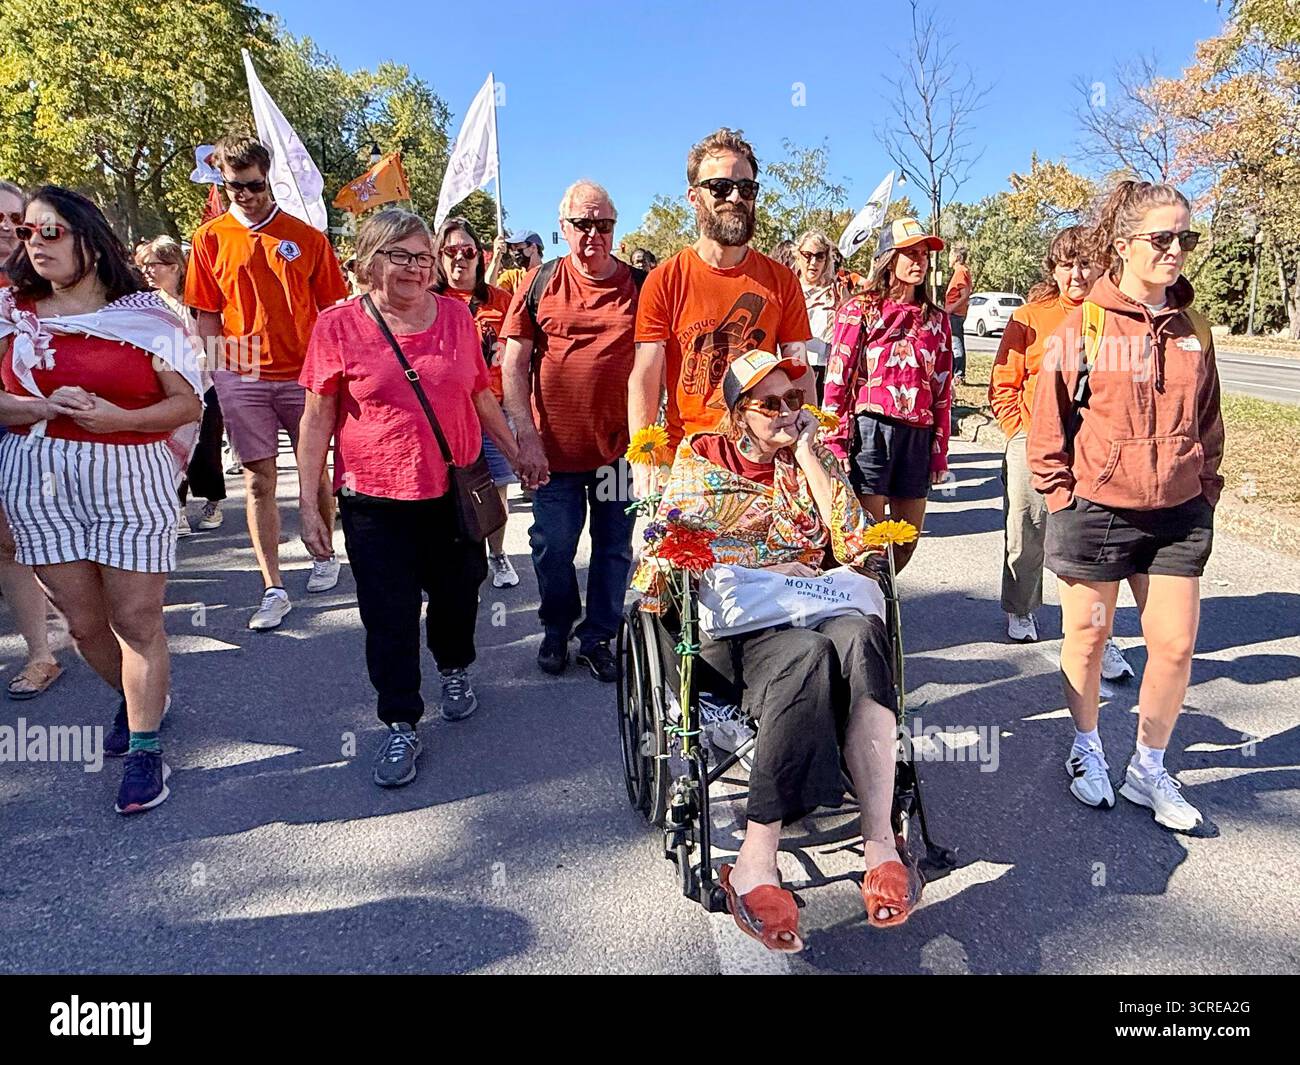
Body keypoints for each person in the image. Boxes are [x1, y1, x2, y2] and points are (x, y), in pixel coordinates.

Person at [633, 350, 913, 951]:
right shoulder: (698, 459)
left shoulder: (811, 461)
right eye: (771, 404)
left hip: (812, 605)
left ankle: (880, 842)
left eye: (795, 400)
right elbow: (666, 551)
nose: (788, 412)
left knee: (863, 636)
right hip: (737, 633)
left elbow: (856, 544)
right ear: (738, 415)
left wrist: (811, 457)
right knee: (809, 655)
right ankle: (756, 862)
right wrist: (750, 561)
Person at [298, 209, 521, 788]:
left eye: (424, 257)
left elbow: (479, 394)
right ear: (369, 261)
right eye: (401, 256)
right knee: (388, 616)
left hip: (454, 490)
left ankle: (454, 667)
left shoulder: (455, 316)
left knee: (457, 596)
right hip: (375, 500)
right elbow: (316, 419)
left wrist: (518, 451)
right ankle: (400, 721)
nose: (417, 268)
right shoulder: (337, 326)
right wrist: (309, 501)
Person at [0, 186, 203, 813]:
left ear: (90, 238)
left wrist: (117, 417)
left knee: (137, 621)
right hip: (38, 475)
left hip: (130, 472)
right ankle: (143, 697)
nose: (36, 244)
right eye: (28, 233)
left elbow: (187, 404)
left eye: (51, 231)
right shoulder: (11, 313)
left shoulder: (146, 316)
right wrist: (39, 406)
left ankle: (145, 750)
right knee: (86, 625)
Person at [1028, 180, 1223, 832]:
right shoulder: (1085, 323)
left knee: (1173, 645)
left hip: (1178, 509)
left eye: (1185, 238)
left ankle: (1147, 766)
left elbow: (1210, 419)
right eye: (1162, 238)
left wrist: (1206, 485)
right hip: (1097, 507)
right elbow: (1049, 425)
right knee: (1087, 636)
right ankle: (1086, 747)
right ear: (1122, 243)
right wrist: (1061, 496)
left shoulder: (1194, 328)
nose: (1176, 250)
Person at [185, 132, 350, 631]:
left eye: (254, 184)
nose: (246, 195)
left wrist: (331, 372)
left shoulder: (307, 238)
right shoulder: (208, 238)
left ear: (268, 177)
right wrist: (218, 374)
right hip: (241, 376)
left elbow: (332, 312)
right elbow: (205, 313)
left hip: (303, 376)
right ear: (224, 181)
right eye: (236, 186)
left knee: (313, 473)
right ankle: (272, 586)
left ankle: (323, 554)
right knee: (258, 481)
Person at [501, 181, 640, 682]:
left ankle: (599, 635)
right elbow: (513, 365)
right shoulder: (539, 283)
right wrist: (525, 436)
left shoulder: (640, 286)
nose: (593, 234)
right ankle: (557, 627)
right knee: (552, 545)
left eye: (603, 224)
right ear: (563, 228)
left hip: (619, 455)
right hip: (552, 455)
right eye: (582, 224)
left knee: (614, 547)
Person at [988, 226, 1138, 682]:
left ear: (1102, 266)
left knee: (1095, 543)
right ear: (1053, 270)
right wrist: (1020, 430)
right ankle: (1021, 608)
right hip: (1034, 438)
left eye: (1086, 263)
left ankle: (1100, 636)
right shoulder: (1032, 317)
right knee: (1028, 529)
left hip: (1094, 447)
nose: (1077, 273)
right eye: (1066, 264)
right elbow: (1003, 383)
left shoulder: (1114, 316)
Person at [630, 128, 811, 498]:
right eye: (720, 188)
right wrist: (644, 459)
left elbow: (799, 367)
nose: (735, 197)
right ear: (694, 197)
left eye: (747, 189)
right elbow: (646, 375)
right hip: (690, 461)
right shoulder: (665, 279)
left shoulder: (781, 280)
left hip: (763, 460)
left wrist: (808, 445)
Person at [822, 217, 953, 574]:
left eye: (924, 254)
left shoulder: (937, 319)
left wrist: (939, 453)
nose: (919, 261)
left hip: (917, 435)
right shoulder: (858, 309)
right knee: (868, 539)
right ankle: (869, 612)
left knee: (906, 540)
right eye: (909, 253)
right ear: (887, 258)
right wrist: (834, 440)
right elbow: (838, 377)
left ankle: (883, 598)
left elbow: (943, 390)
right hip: (870, 432)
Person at [0, 178, 64, 700]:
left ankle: (61, 646)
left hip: (47, 435)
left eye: (16, 220)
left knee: (36, 538)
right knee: (5, 545)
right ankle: (42, 650)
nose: (7, 228)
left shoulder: (49, 284)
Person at [430, 216, 519, 588]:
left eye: (467, 251)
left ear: (479, 257)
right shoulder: (428, 302)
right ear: (438, 257)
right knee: (448, 491)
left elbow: (519, 358)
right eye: (450, 251)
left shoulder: (501, 301)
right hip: (447, 415)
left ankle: (497, 554)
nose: (459, 259)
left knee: (496, 488)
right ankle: (459, 559)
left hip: (494, 409)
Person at [138, 235, 227, 537]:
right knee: (169, 449)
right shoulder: (145, 303)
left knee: (206, 448)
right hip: (164, 388)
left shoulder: (194, 303)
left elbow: (213, 342)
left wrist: (208, 367)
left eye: (154, 265)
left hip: (204, 385)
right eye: (144, 266)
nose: (147, 271)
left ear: (174, 266)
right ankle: (176, 508)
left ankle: (213, 501)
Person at [794, 228, 849, 404]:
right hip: (793, 368)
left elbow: (850, 329)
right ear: (798, 256)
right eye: (807, 255)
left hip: (826, 370)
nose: (813, 262)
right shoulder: (788, 288)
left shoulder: (837, 291)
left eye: (819, 256)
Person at [945, 243, 972, 385]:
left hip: (955, 313)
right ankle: (955, 373)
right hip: (957, 312)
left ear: (956, 257)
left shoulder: (960, 271)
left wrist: (950, 309)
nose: (948, 258)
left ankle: (959, 374)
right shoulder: (961, 271)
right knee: (954, 342)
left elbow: (965, 294)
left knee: (956, 343)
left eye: (950, 255)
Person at [487, 229, 544, 294]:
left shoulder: (550, 275)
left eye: (517, 246)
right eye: (512, 248)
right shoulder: (512, 277)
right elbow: (489, 289)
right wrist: (496, 257)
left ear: (533, 247)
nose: (514, 252)